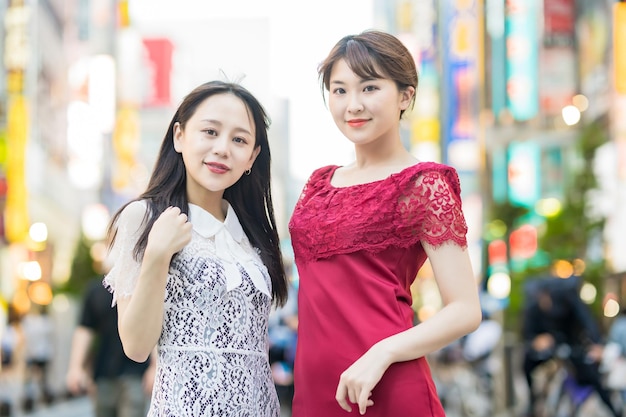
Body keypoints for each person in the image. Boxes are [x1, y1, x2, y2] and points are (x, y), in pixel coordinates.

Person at [288, 30, 482, 417]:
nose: (352, 105)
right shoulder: (317, 184)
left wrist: (383, 352)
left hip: (387, 387)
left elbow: (465, 309)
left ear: (405, 96)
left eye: (370, 87)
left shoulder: (424, 184)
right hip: (315, 392)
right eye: (339, 90)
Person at [102, 80, 289, 417]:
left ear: (252, 157)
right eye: (210, 132)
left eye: (239, 140)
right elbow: (136, 346)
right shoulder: (143, 218)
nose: (222, 149)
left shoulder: (253, 235)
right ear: (179, 136)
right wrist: (158, 255)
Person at [521, 276, 621, 417]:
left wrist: (597, 345)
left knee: (593, 378)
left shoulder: (568, 301)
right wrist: (536, 341)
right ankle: (532, 406)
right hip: (546, 352)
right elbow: (527, 334)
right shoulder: (533, 309)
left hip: (572, 347)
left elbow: (587, 321)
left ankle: (615, 411)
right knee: (528, 367)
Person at [66, 277, 155, 417]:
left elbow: (154, 325)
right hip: (103, 373)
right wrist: (75, 367)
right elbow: (84, 330)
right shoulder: (95, 290)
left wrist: (155, 366)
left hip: (136, 373)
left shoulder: (142, 285)